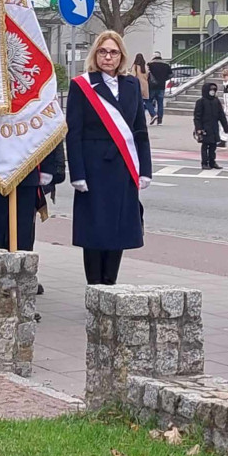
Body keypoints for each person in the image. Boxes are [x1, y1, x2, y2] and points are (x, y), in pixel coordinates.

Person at [67, 30, 153, 284]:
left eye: (113, 52)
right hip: (94, 167)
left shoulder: (132, 84)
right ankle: (94, 287)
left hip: (124, 167)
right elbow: (74, 133)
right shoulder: (82, 85)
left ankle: (110, 284)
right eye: (103, 51)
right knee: (95, 230)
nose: (108, 57)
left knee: (119, 229)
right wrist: (78, 174)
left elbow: (140, 129)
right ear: (95, 54)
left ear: (121, 56)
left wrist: (145, 169)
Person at [194, 81, 228, 169]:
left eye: (214, 90)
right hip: (205, 127)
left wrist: (225, 126)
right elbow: (197, 117)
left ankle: (212, 162)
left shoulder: (216, 101)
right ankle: (204, 162)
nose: (212, 91)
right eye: (211, 90)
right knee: (205, 145)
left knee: (213, 146)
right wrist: (198, 128)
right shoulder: (200, 102)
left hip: (214, 127)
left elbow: (221, 115)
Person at [146, 52, 171, 125]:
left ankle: (153, 114)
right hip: (162, 86)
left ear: (153, 57)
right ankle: (159, 121)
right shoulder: (166, 65)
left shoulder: (150, 64)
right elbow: (171, 74)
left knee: (148, 101)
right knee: (160, 103)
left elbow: (147, 74)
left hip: (152, 86)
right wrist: (164, 79)